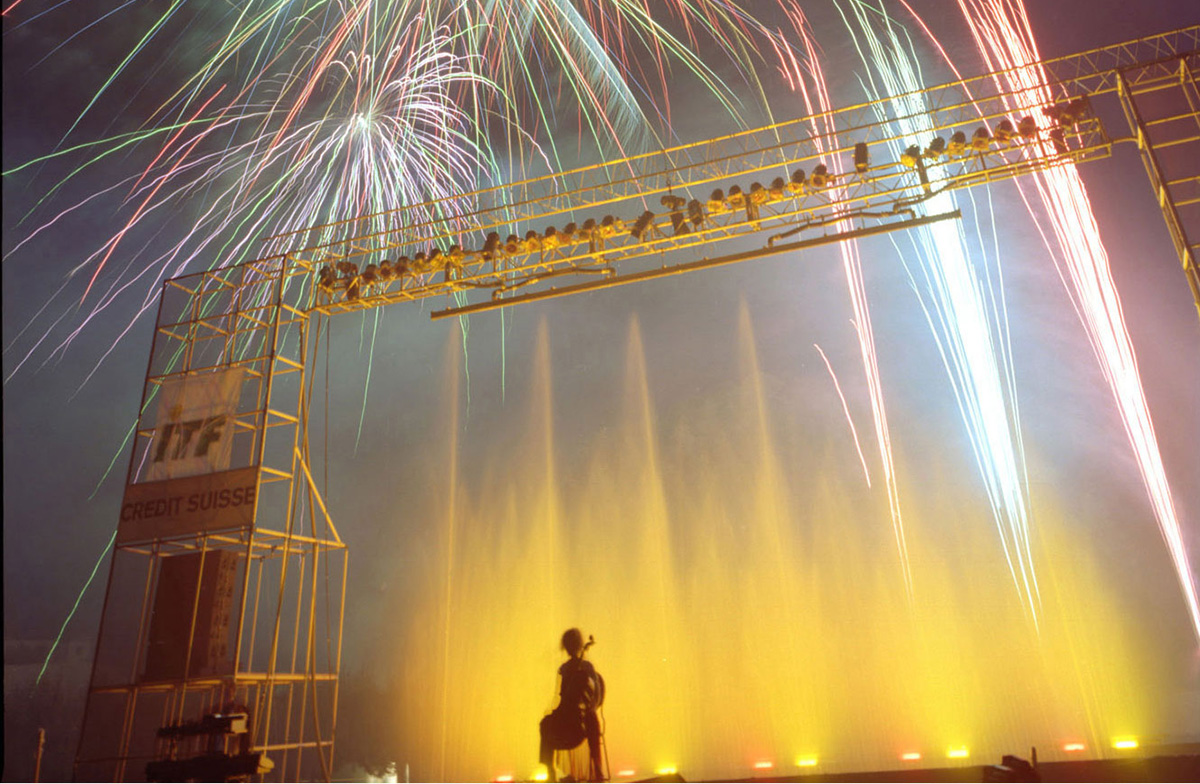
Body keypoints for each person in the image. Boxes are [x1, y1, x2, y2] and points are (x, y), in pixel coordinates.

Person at [539, 628, 605, 782]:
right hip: (566, 721)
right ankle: (550, 769)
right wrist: (557, 710)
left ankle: (598, 769)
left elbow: (596, 696)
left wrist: (585, 707)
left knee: (591, 719)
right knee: (545, 723)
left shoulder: (587, 668)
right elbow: (559, 696)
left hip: (582, 720)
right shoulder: (564, 669)